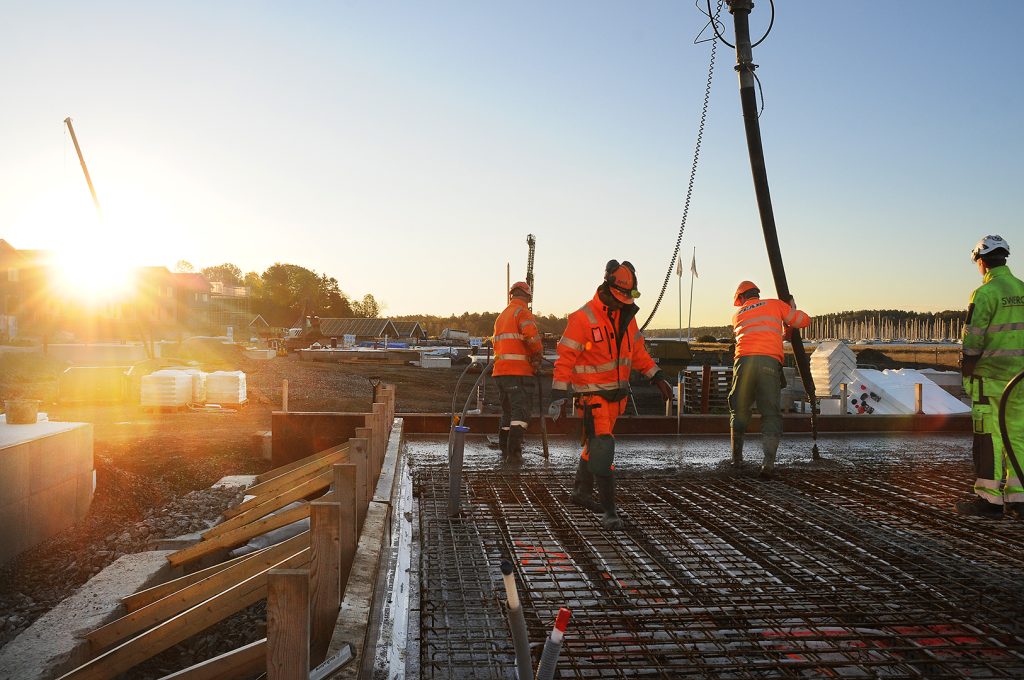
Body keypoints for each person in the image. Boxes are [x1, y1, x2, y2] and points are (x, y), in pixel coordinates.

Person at [548, 260, 673, 529]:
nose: (625, 301)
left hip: (617, 397)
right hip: (592, 398)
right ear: (608, 287)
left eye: (629, 297)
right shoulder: (582, 318)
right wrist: (558, 393)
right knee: (604, 448)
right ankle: (609, 511)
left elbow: (638, 353)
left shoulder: (626, 317)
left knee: (594, 446)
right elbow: (565, 357)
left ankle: (581, 492)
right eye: (622, 296)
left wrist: (657, 376)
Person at [956, 235, 1024, 519]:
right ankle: (1019, 499)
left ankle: (989, 499)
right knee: (1018, 435)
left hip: (990, 378)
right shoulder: (1022, 289)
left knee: (989, 438)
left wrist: (967, 367)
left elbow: (973, 340)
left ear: (981, 261)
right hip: (1019, 380)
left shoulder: (984, 294)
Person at [728, 280, 810, 477]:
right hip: (768, 364)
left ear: (741, 298)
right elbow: (803, 321)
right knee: (771, 413)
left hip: (743, 364)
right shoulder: (774, 304)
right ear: (757, 292)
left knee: (738, 410)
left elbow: (758, 335)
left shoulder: (737, 315)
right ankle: (768, 464)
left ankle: (736, 459)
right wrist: (791, 309)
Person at [492, 281, 544, 466]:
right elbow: (531, 336)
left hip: (501, 373)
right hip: (519, 372)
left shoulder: (502, 316)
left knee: (508, 412)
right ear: (528, 296)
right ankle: (514, 455)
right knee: (520, 412)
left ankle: (504, 450)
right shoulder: (522, 312)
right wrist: (537, 353)